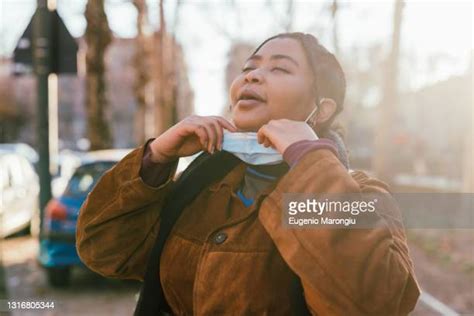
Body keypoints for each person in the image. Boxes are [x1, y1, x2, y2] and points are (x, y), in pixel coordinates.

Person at [76, 32, 420, 315]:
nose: (252, 76)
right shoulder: (201, 183)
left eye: (280, 69)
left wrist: (308, 159)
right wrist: (156, 158)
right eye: (248, 68)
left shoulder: (361, 195)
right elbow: (102, 250)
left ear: (321, 108)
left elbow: (374, 304)